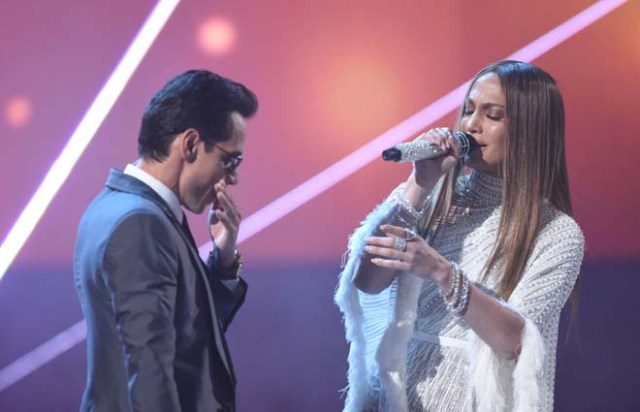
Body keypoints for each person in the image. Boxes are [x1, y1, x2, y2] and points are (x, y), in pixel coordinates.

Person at [335, 60, 584, 411]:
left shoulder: (556, 232)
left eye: (492, 115)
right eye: (468, 110)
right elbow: (367, 280)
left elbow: (516, 339)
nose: (471, 125)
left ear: (532, 130)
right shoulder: (433, 197)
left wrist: (443, 273)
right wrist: (418, 185)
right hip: (396, 398)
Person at [74, 69, 258, 412]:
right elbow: (149, 372)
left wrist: (223, 258)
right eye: (229, 160)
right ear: (190, 144)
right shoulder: (141, 223)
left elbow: (189, 336)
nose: (232, 177)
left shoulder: (118, 207)